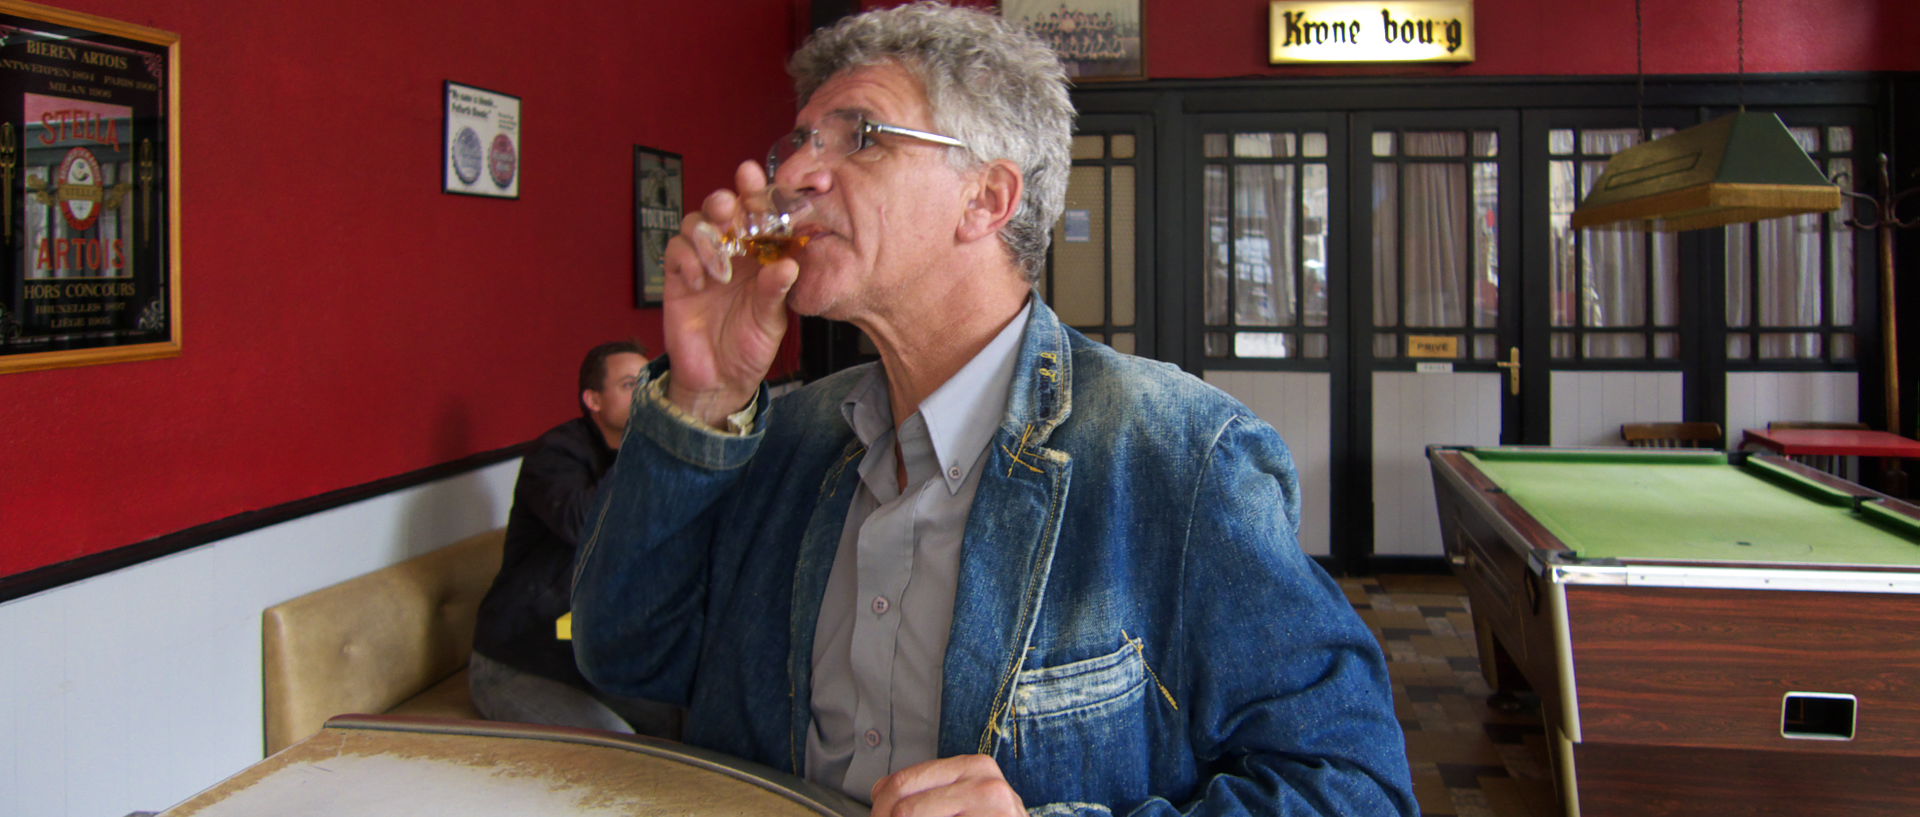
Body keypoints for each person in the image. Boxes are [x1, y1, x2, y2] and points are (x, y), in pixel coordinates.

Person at [572, 3, 1416, 814]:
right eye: (797, 141)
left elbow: (1354, 786)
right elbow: (626, 654)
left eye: (860, 136)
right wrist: (704, 397)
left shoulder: (1180, 456)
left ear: (987, 199)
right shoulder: (779, 437)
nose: (793, 173)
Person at [470, 340, 681, 738]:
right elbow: (587, 526)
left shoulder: (644, 462)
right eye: (630, 385)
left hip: (592, 659)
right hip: (517, 661)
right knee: (617, 752)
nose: (647, 396)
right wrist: (645, 442)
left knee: (693, 719)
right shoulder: (553, 455)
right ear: (593, 399)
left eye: (651, 384)